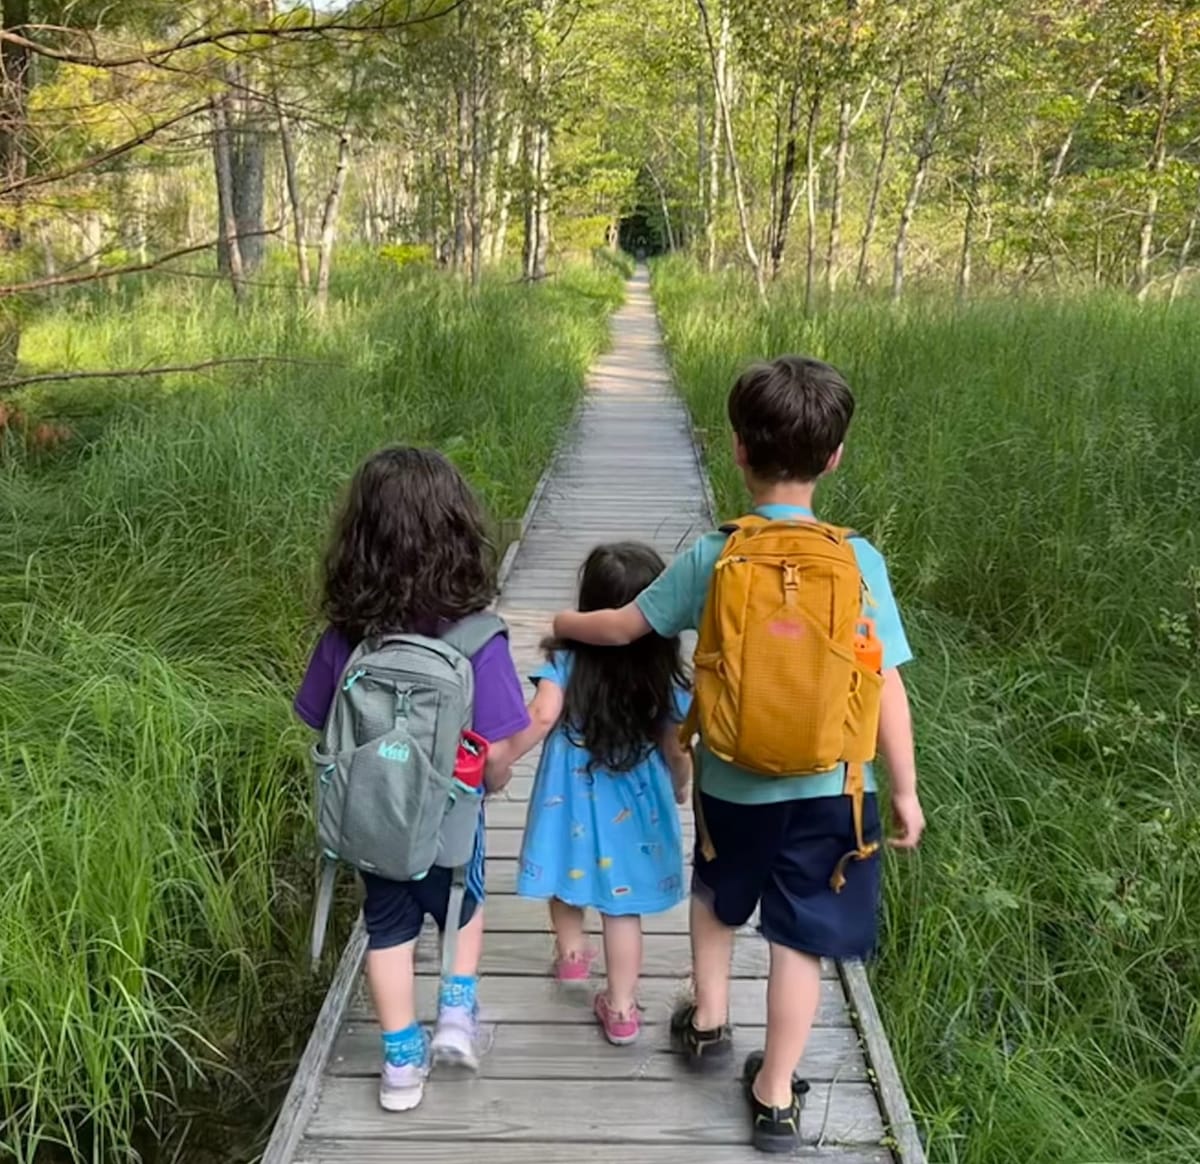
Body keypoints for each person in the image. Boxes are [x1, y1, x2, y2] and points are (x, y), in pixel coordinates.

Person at [552, 356, 925, 1153]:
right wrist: (905, 791)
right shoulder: (861, 563)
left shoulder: (715, 556)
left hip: (732, 780)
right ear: (834, 457)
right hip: (836, 788)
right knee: (801, 940)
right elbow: (887, 684)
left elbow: (623, 627)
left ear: (736, 451)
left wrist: (560, 623)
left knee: (718, 897)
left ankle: (709, 1019)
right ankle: (776, 1092)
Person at [294, 446, 532, 1113]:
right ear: (458, 534)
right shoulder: (478, 639)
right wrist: (499, 773)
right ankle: (456, 1014)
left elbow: (318, 722)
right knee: (463, 903)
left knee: (387, 930)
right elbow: (498, 747)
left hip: (372, 825)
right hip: (451, 824)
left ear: (358, 543)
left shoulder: (347, 637)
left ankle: (401, 1064)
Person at [515, 542, 692, 1045]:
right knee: (622, 907)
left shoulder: (566, 660)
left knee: (565, 876)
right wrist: (681, 784)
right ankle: (620, 1007)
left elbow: (543, 715)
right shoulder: (662, 676)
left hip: (567, 794)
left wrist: (500, 758)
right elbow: (676, 747)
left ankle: (571, 955)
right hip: (635, 799)